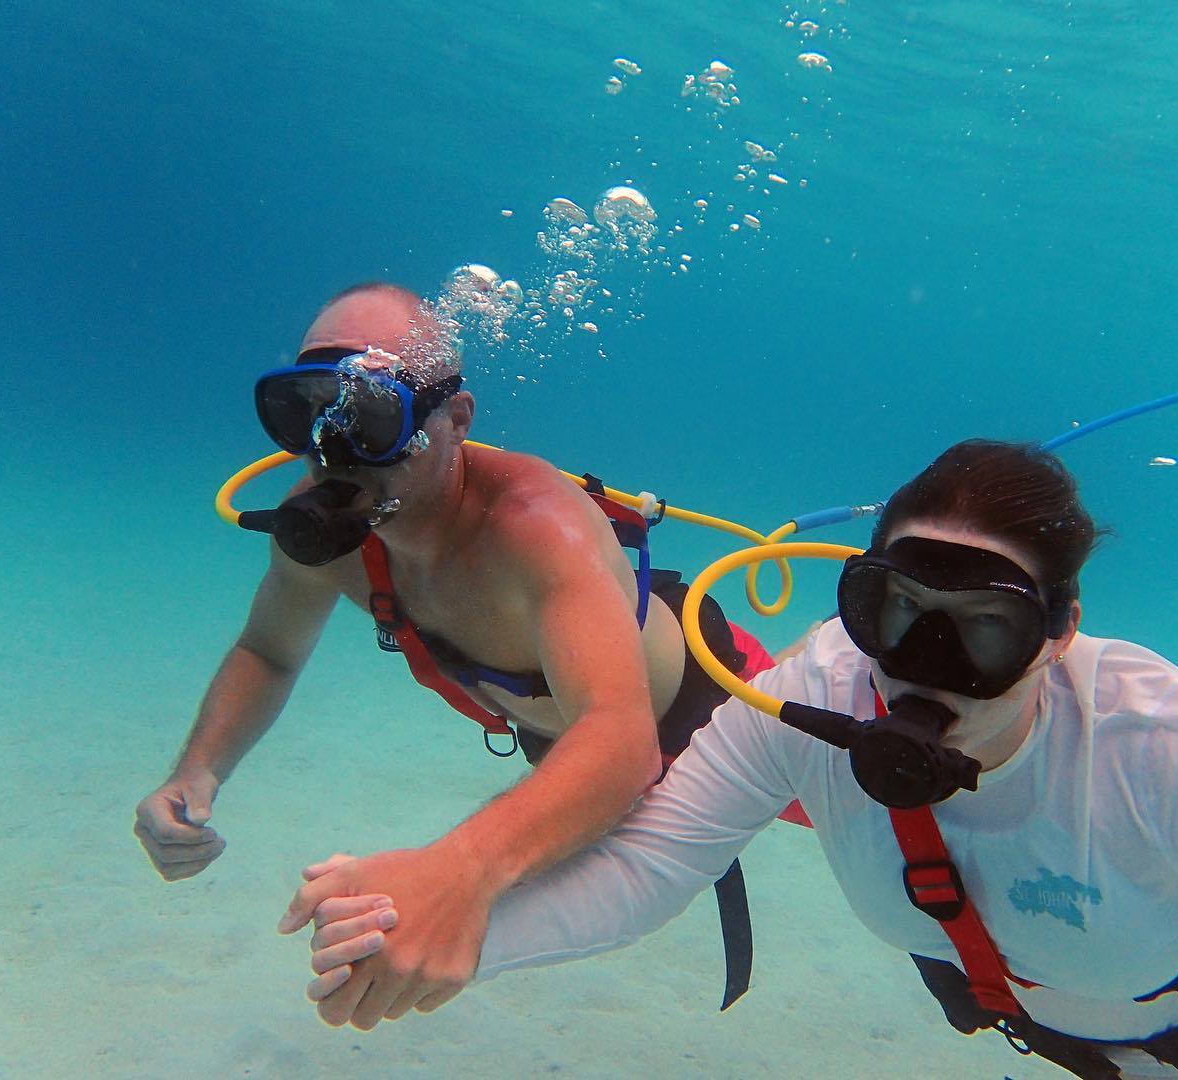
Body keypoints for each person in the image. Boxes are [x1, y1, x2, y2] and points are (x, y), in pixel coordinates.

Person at [296, 439, 1178, 1078]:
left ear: (1061, 633)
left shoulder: (1166, 756)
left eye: (983, 633)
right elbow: (647, 867)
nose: (917, 671)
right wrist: (450, 925)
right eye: (892, 612)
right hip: (1044, 1036)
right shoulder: (813, 696)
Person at [134, 281, 775, 1028]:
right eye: (305, 409)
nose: (333, 447)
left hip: (719, 701)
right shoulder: (334, 539)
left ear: (455, 419)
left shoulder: (535, 528)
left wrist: (458, 869)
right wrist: (197, 768)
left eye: (368, 413)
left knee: (893, 800)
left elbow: (620, 741)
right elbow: (269, 650)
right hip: (569, 750)